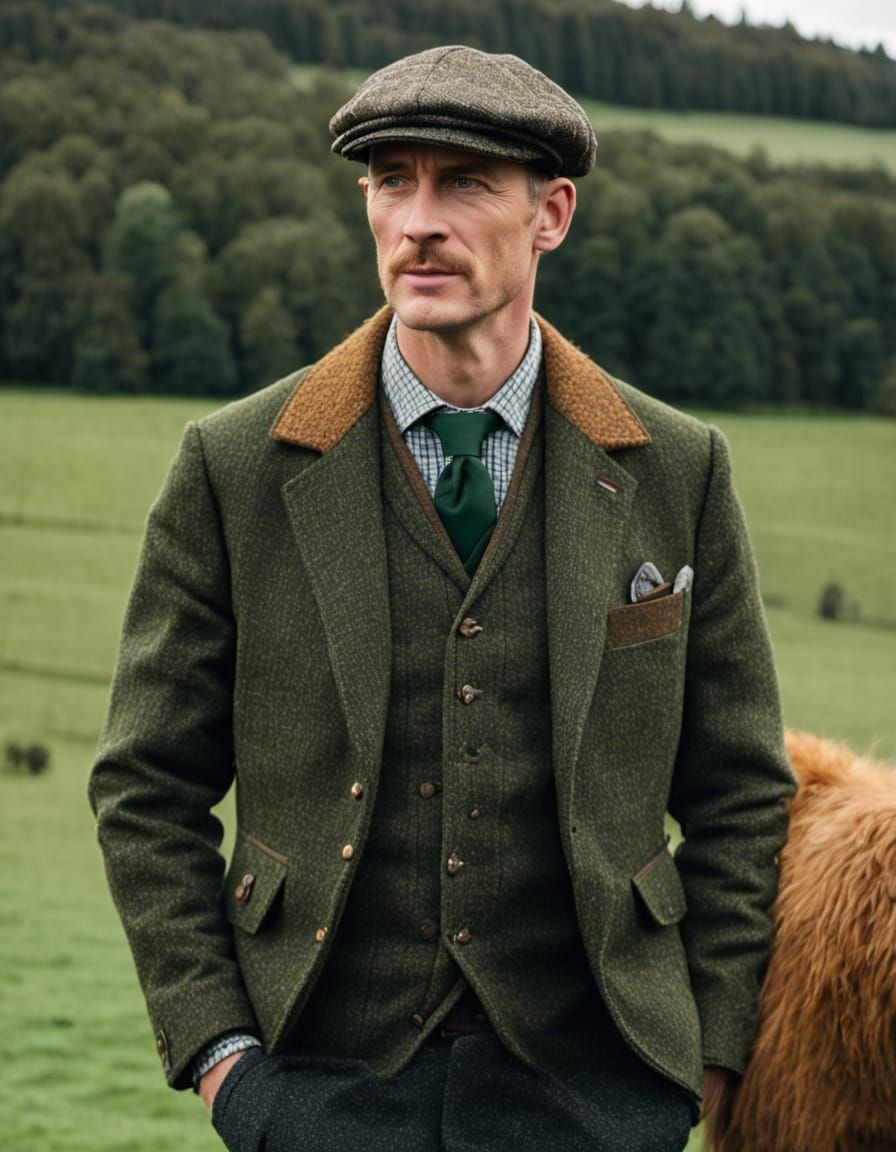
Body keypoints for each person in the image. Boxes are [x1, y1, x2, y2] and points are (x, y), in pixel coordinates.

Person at [89, 45, 795, 1152]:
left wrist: (697, 1059)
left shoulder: (674, 467)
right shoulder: (234, 467)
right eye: (389, 180)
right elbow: (143, 785)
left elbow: (742, 787)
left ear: (549, 213)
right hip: (313, 1075)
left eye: (463, 182)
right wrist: (223, 1059)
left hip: (596, 1083)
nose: (418, 219)